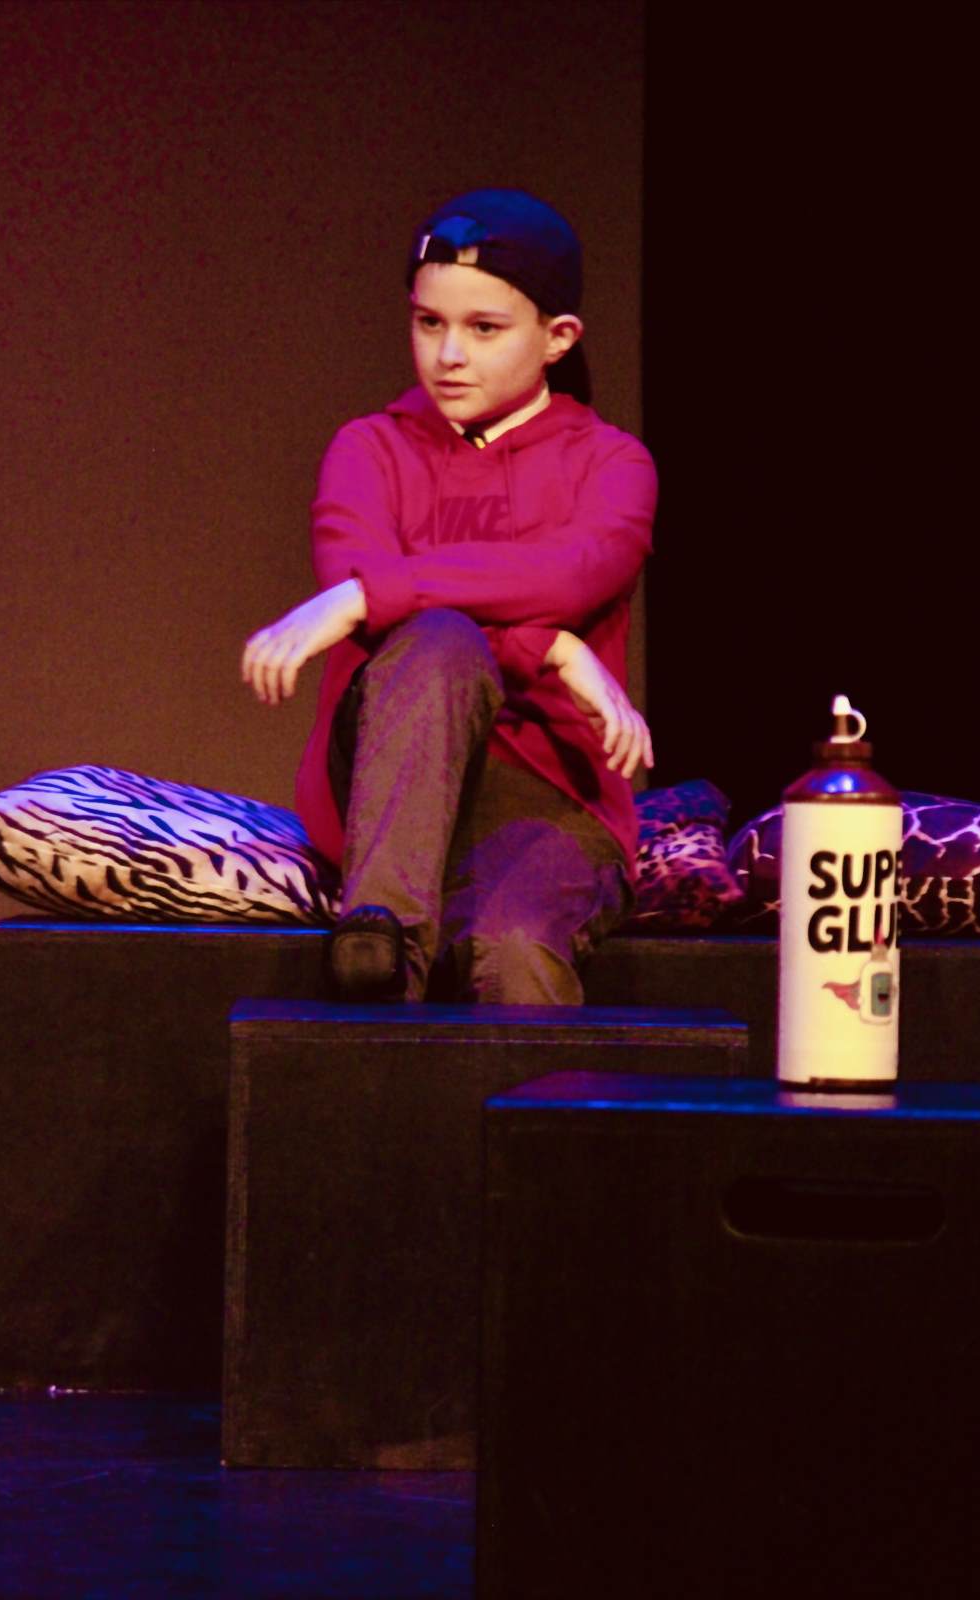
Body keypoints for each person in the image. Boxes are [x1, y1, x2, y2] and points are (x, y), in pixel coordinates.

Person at [241, 188, 656, 1004]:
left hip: (547, 794)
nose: (449, 354)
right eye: (429, 323)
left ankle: (527, 1093)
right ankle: (381, 936)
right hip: (391, 770)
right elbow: (401, 620)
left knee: (516, 953)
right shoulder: (369, 448)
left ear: (558, 338)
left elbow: (571, 575)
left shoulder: (613, 464)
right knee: (435, 641)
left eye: (484, 329)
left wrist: (366, 596)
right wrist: (548, 646)